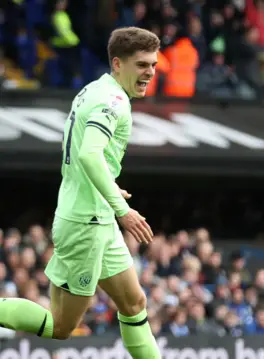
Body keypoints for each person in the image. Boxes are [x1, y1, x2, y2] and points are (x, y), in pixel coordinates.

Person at [0, 27, 161, 359]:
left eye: (154, 65)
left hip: (93, 214)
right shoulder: (115, 101)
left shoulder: (93, 89)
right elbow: (88, 153)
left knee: (135, 303)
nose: (150, 72)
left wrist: (108, 188)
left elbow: (81, 153)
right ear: (118, 63)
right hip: (86, 223)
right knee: (60, 328)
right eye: (142, 65)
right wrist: (121, 208)